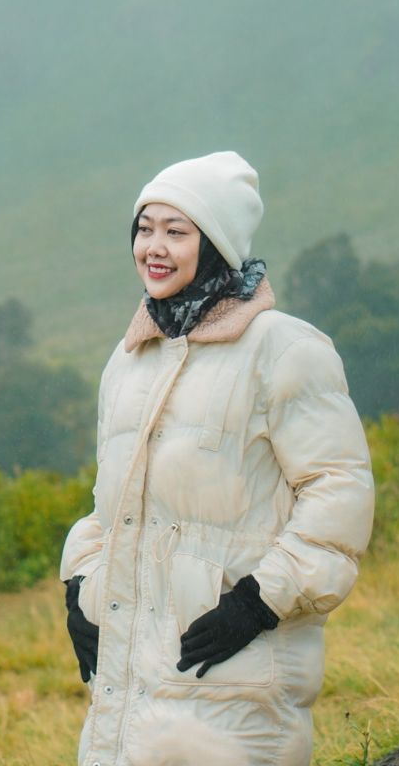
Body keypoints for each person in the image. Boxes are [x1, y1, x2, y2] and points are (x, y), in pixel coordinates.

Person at [60, 151, 375, 766]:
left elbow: (339, 494)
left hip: (236, 681)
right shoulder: (129, 360)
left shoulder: (283, 348)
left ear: (217, 246)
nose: (154, 247)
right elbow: (111, 507)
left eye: (177, 232)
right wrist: (82, 590)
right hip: (126, 691)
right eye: (144, 229)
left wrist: (258, 603)